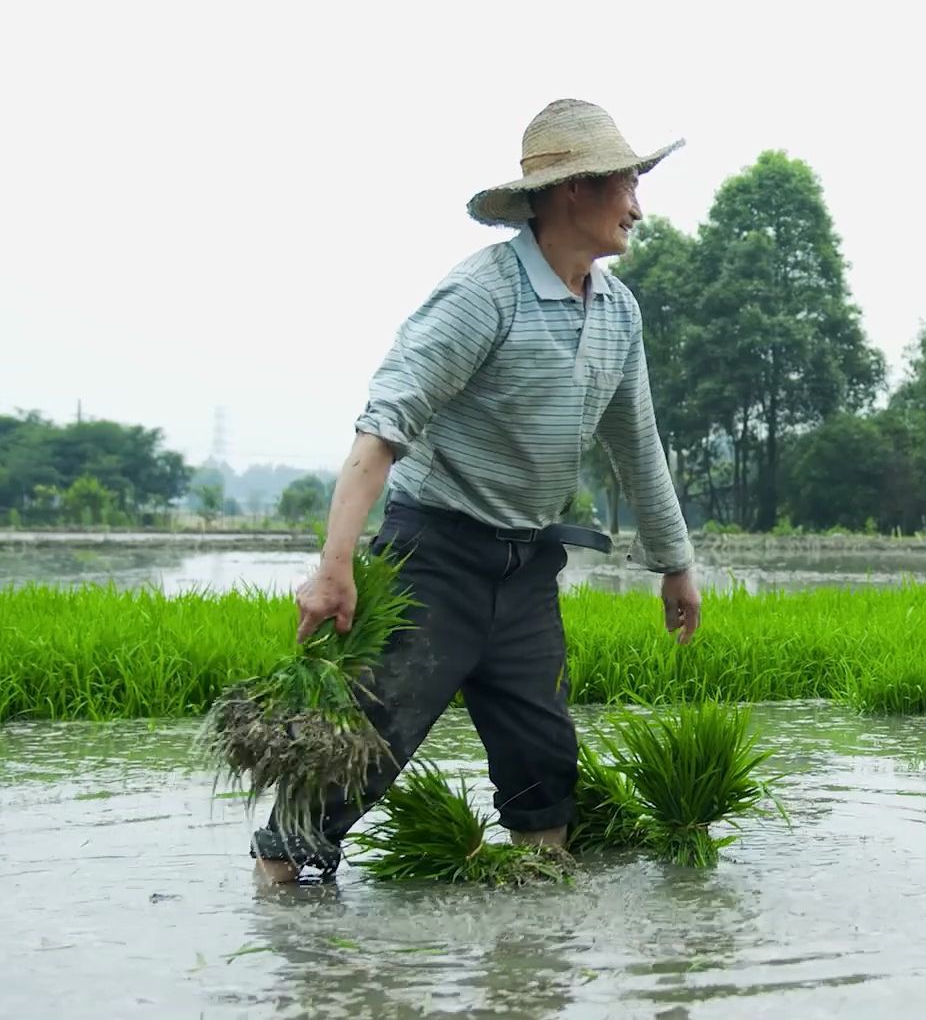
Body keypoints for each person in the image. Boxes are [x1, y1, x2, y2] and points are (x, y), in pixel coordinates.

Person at [252, 99, 702, 883]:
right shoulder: (483, 296)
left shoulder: (619, 312)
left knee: (543, 768)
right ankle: (286, 923)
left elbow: (638, 445)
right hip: (434, 560)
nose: (638, 204)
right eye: (627, 184)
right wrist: (335, 566)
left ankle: (531, 961)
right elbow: (381, 429)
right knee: (357, 756)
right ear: (573, 190)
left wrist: (675, 563)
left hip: (526, 571)